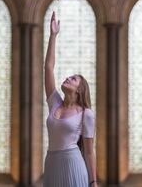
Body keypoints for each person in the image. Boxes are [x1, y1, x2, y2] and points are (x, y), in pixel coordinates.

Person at [43, 11, 97, 187]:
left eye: (73, 79)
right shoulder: (55, 103)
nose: (67, 78)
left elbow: (89, 152)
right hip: (51, 164)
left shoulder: (86, 114)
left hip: (73, 164)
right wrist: (53, 36)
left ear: (80, 90)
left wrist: (94, 182)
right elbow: (48, 68)